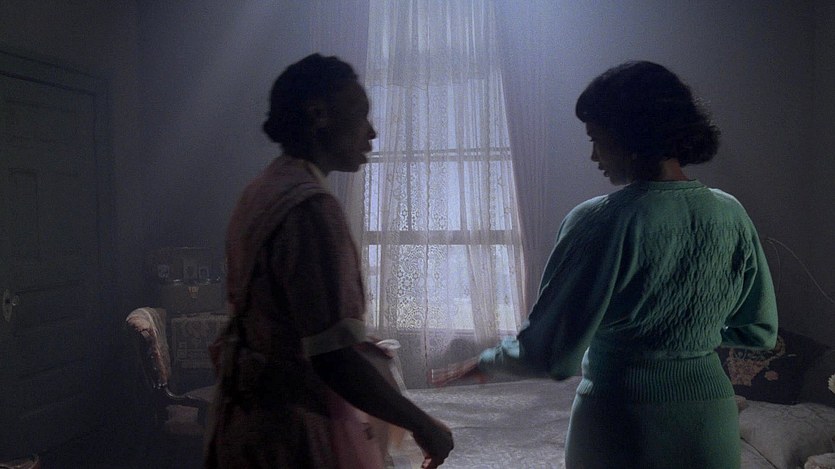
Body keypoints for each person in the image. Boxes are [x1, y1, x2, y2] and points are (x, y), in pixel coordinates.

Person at [430, 61, 778, 469]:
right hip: (712, 418)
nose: (593, 155)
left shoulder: (601, 220)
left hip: (624, 418)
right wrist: (686, 334)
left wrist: (485, 363)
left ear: (630, 135)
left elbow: (551, 353)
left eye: (597, 139)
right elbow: (758, 330)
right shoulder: (731, 212)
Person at [205, 53, 453, 469]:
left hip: (244, 422)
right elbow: (333, 359)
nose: (371, 131)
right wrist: (421, 423)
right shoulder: (311, 208)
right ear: (319, 115)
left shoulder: (263, 190)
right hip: (287, 434)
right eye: (360, 115)